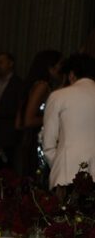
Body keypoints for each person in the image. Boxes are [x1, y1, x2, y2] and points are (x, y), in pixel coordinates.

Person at [42, 53, 95, 188]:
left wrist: (60, 164)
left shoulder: (58, 96)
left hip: (66, 174)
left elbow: (48, 145)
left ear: (71, 74)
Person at [16, 49, 62, 176]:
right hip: (37, 141)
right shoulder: (42, 86)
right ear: (50, 67)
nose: (62, 68)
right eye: (60, 64)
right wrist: (52, 119)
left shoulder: (40, 85)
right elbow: (28, 120)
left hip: (34, 139)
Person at [0, 51, 22, 165]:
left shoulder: (17, 84)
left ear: (10, 63)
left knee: (5, 165)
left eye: (1, 62)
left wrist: (0, 112)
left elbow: (19, 108)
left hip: (7, 132)